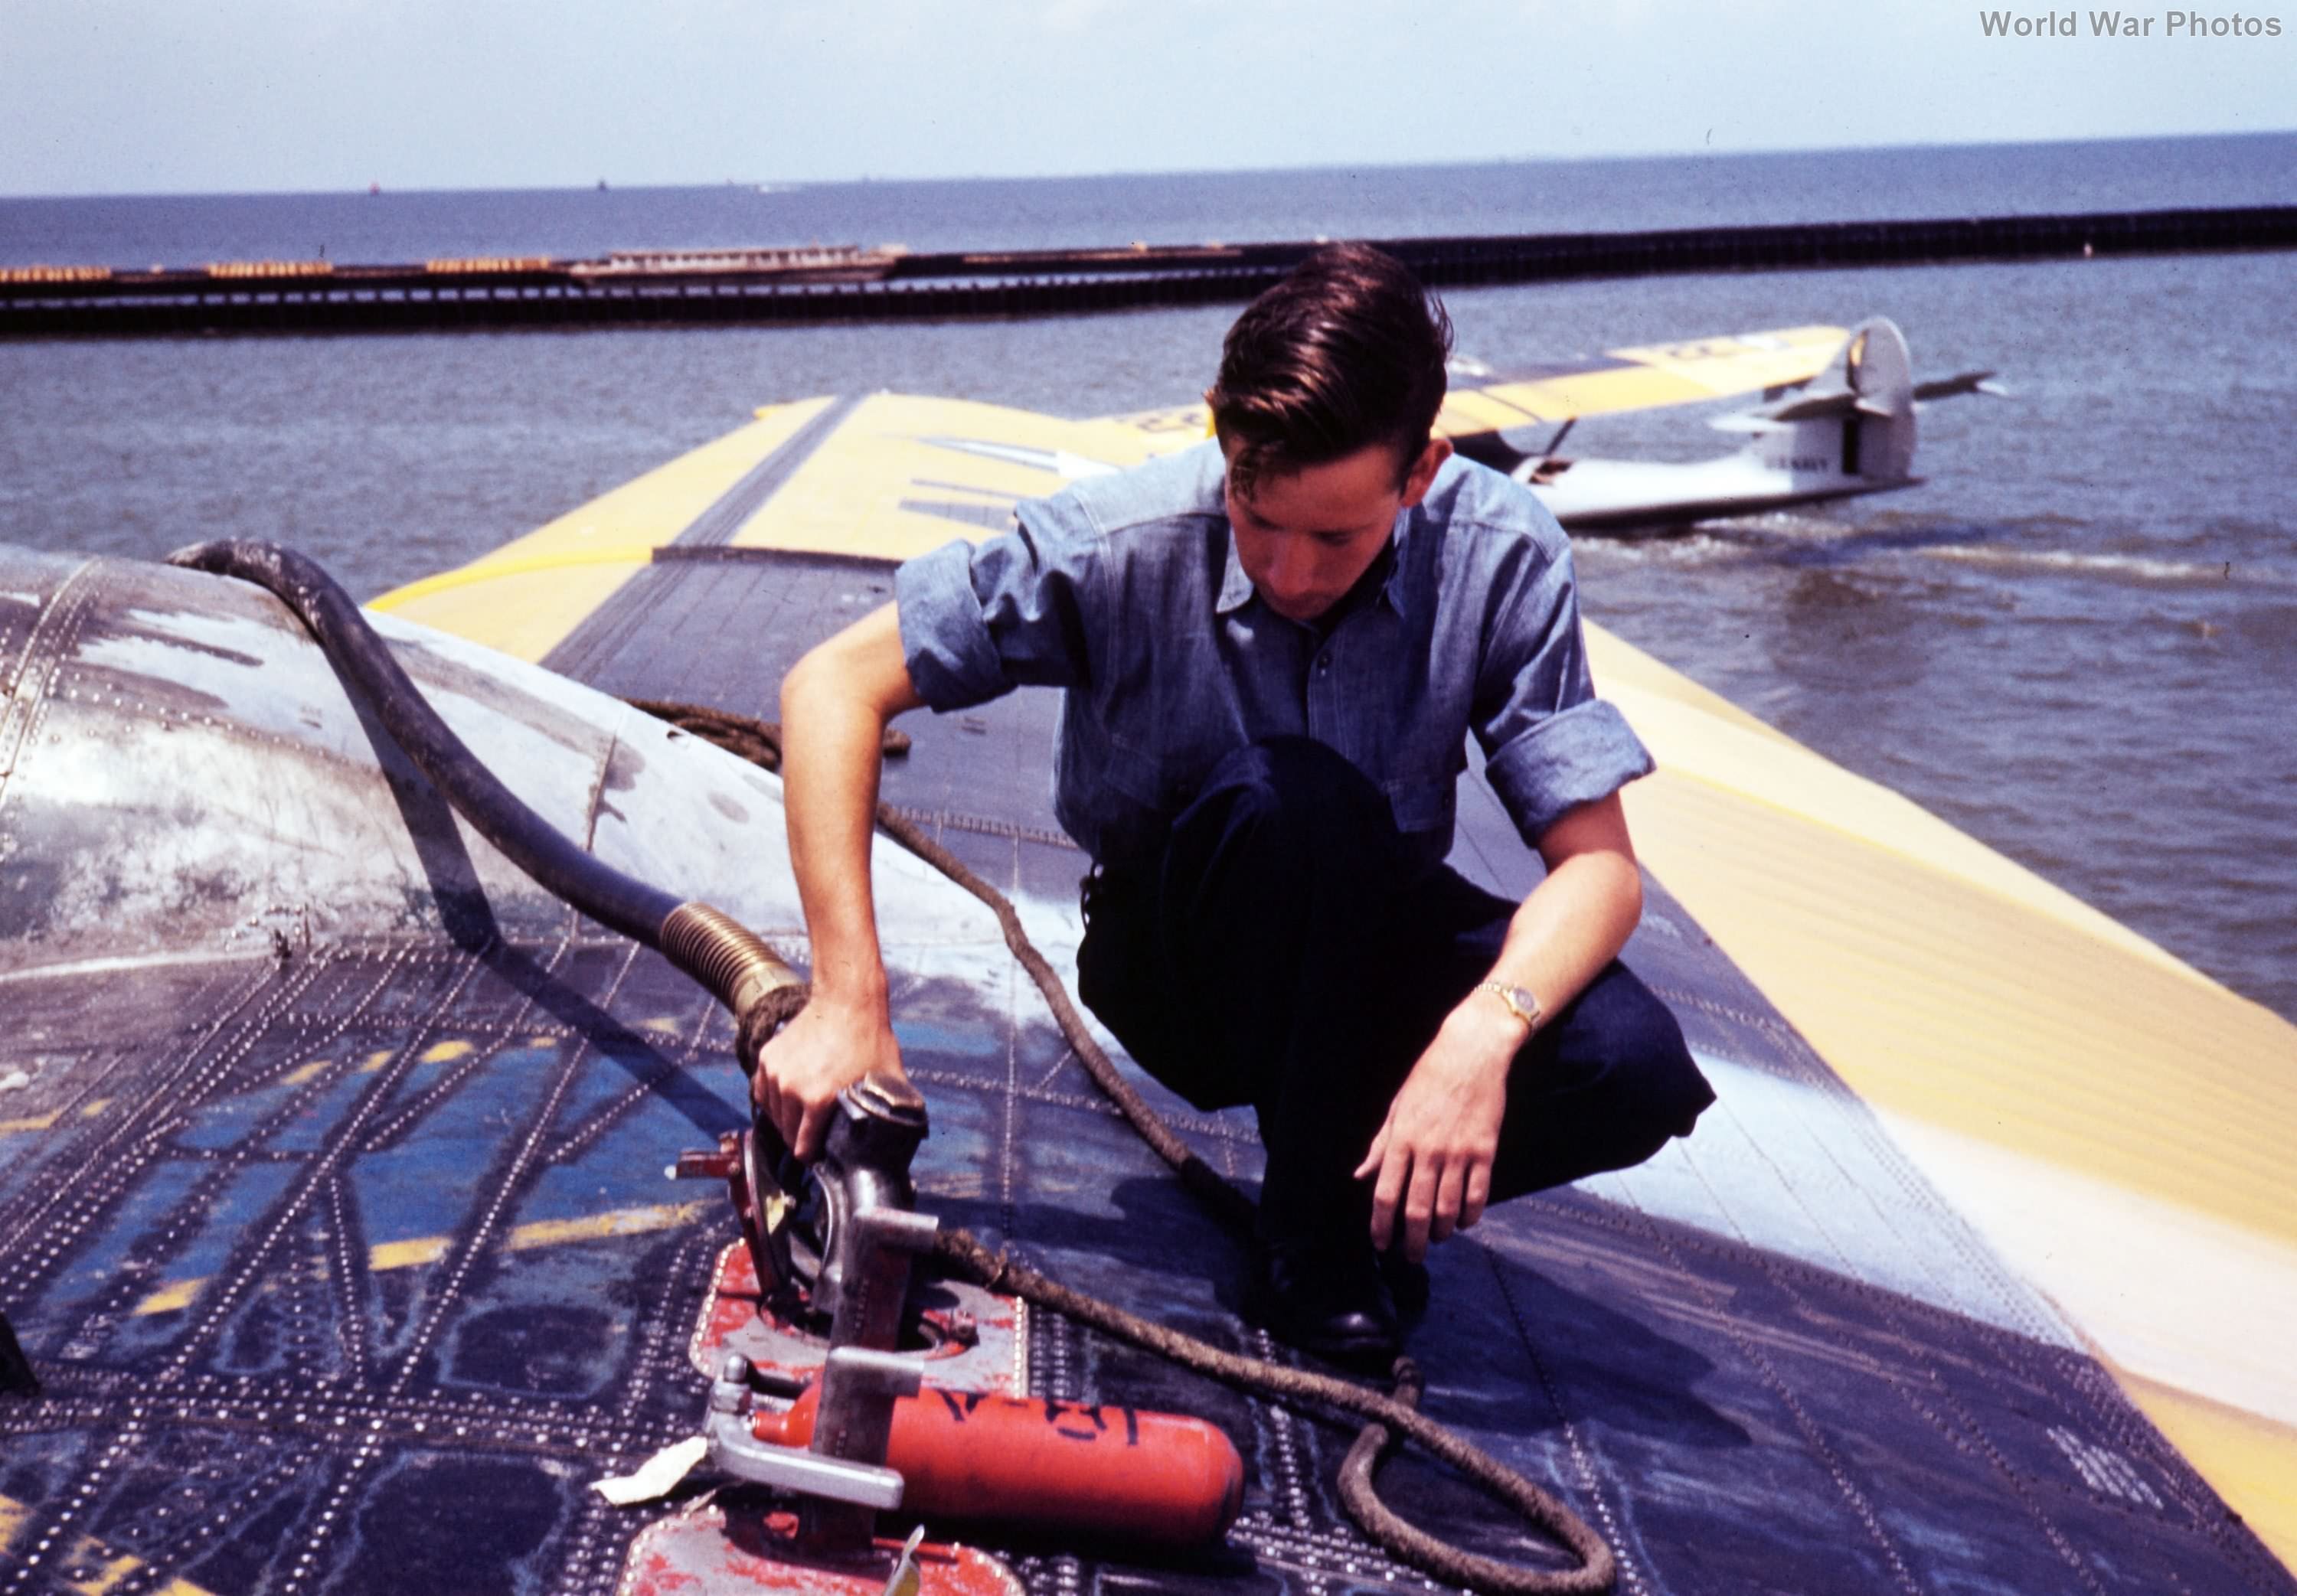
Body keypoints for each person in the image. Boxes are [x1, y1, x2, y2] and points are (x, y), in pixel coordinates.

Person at [752, 243, 1714, 1369]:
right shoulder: (1121, 542)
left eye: (1338, 537)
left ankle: (1344, 1197)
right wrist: (847, 996)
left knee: (1629, 1063)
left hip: (1369, 935)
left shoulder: (1504, 555)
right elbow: (833, 684)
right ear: (1219, 432)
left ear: (1420, 473)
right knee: (1294, 798)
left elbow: (1600, 868)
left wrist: (1476, 1042)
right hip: (1185, 965)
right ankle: (1318, 1251)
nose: (1292, 571)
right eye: (1262, 520)